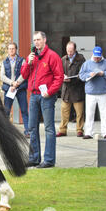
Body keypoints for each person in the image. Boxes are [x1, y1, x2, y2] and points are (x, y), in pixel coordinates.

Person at [21, 31, 64, 169]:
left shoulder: (52, 56)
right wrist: (28, 62)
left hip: (47, 97)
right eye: (35, 40)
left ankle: (49, 160)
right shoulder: (32, 57)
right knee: (32, 128)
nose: (36, 42)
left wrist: (50, 92)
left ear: (45, 40)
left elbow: (59, 77)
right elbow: (24, 74)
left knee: (49, 128)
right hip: (33, 95)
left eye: (39, 39)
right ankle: (34, 158)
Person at [79, 46, 106, 139]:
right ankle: (88, 132)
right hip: (90, 92)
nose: (97, 59)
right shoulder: (86, 64)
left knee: (104, 114)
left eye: (98, 57)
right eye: (95, 57)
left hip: (103, 92)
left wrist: (103, 74)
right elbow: (81, 75)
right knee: (89, 114)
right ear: (92, 54)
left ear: (101, 55)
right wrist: (89, 74)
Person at [0, 42, 29, 137]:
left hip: (20, 88)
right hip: (9, 89)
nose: (11, 50)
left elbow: (25, 73)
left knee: (24, 110)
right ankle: (6, 132)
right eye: (9, 48)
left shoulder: (22, 60)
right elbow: (2, 76)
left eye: (13, 48)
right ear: (7, 50)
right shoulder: (4, 62)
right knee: (7, 111)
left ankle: (27, 131)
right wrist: (12, 83)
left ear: (16, 49)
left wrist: (17, 83)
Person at [57, 41, 86, 137]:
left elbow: (83, 74)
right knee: (64, 111)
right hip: (66, 91)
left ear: (75, 50)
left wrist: (72, 79)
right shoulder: (63, 59)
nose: (69, 53)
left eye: (71, 51)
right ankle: (62, 130)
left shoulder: (81, 59)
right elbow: (59, 72)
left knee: (79, 113)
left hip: (77, 90)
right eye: (68, 51)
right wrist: (63, 76)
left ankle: (79, 129)